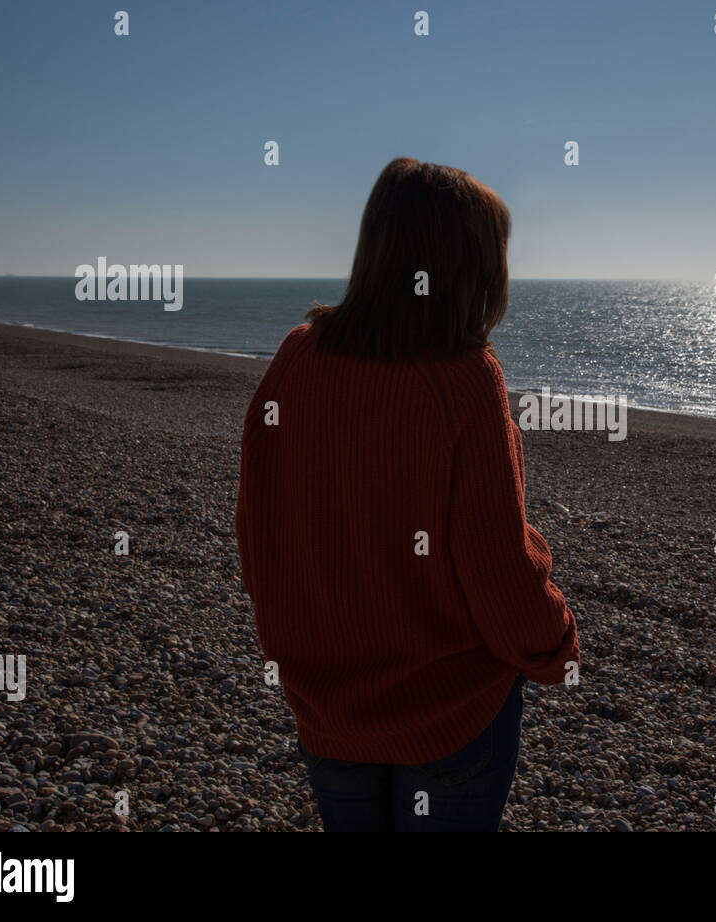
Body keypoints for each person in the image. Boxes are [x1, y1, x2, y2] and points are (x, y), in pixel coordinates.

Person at [235, 157, 580, 831]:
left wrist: (292, 648)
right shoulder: (463, 380)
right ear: (470, 265)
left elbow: (259, 527)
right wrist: (554, 641)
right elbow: (495, 563)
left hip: (327, 700)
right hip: (447, 709)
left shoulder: (296, 356)